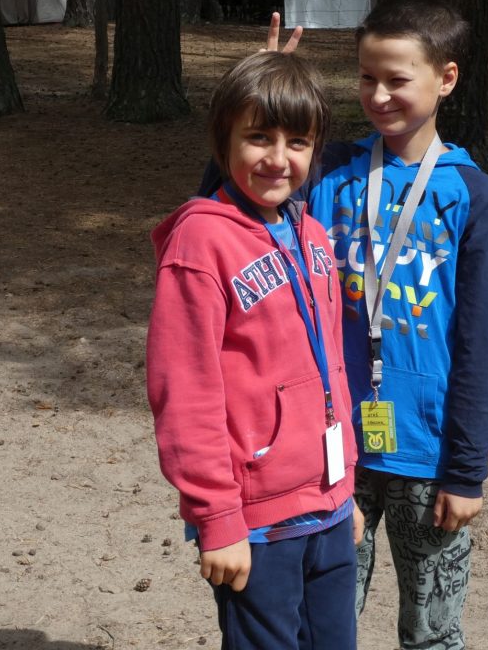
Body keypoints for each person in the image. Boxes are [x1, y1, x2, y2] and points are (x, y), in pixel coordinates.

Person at [265, 0, 488, 649]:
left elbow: (480, 343)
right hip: (330, 449)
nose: (377, 95)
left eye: (397, 79)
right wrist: (264, 93)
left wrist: (466, 470)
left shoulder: (474, 196)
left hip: (426, 454)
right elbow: (232, 196)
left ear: (446, 79)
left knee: (432, 632)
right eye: (366, 77)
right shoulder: (329, 173)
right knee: (320, 625)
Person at [147, 51, 363, 649]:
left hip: (328, 506)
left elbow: (332, 367)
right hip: (258, 521)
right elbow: (184, 393)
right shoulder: (200, 243)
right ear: (224, 140)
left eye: (298, 142)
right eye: (259, 137)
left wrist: (344, 487)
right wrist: (217, 518)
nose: (278, 158)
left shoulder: (311, 234)